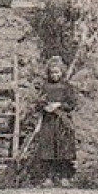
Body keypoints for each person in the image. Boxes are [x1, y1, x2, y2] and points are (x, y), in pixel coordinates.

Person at [29, 56, 78, 186]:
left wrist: (58, 105)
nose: (55, 75)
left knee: (63, 149)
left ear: (62, 72)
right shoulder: (45, 87)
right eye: (52, 73)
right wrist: (45, 107)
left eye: (57, 72)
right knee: (48, 150)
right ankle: (48, 178)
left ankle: (64, 177)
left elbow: (72, 104)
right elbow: (38, 102)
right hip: (48, 122)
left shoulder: (66, 87)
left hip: (62, 122)